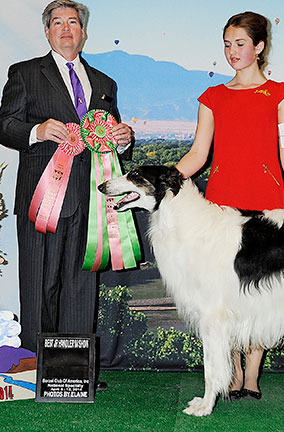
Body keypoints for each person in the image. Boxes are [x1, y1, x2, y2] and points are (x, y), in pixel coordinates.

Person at [176, 11, 284, 400]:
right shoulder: (212, 96)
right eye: (227, 44)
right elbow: (198, 154)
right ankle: (232, 373)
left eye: (241, 44)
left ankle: (252, 375)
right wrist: (165, 178)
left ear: (260, 46)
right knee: (225, 295)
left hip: (267, 208)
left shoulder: (282, 95)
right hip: (221, 207)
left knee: (260, 292)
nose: (232, 52)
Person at [0, 0, 133, 369]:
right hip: (42, 198)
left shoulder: (105, 84)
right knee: (38, 284)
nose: (65, 28)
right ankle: (33, 370)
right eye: (57, 22)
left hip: (90, 200)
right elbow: (4, 124)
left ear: (83, 32)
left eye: (72, 22)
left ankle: (74, 371)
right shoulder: (24, 74)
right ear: (46, 31)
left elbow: (111, 135)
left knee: (81, 289)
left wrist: (123, 138)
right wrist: (36, 130)